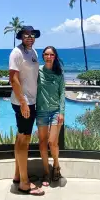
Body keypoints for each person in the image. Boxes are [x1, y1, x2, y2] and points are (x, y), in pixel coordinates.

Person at [8, 25, 44, 195]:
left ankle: (18, 175)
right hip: (23, 102)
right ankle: (24, 183)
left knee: (21, 137)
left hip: (31, 100)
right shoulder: (17, 53)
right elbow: (13, 79)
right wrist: (23, 102)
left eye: (32, 35)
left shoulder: (34, 53)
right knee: (25, 140)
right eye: (26, 35)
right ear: (21, 36)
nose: (29, 37)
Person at [37, 46, 65, 184]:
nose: (49, 57)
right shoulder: (38, 71)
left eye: (51, 54)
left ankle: (56, 165)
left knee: (52, 142)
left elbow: (62, 94)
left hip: (55, 112)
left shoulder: (59, 73)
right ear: (43, 56)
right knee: (42, 143)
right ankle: (46, 172)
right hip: (41, 111)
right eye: (46, 54)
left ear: (55, 56)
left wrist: (62, 112)